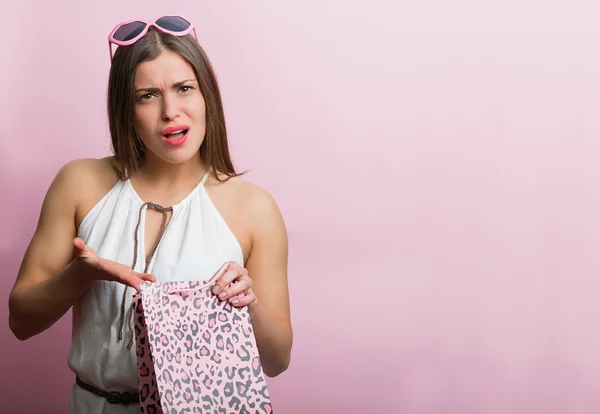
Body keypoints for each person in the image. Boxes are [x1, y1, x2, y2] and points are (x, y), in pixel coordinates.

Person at [8, 15, 292, 413]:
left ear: (207, 95)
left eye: (184, 88)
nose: (170, 111)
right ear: (127, 110)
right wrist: (81, 275)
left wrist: (250, 306)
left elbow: (277, 360)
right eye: (147, 96)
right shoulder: (79, 182)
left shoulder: (254, 209)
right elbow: (20, 321)